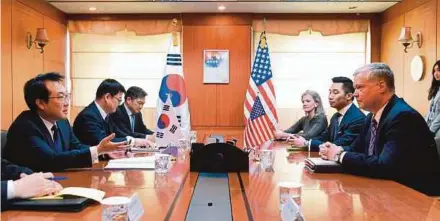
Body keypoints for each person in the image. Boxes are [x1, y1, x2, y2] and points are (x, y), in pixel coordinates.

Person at [320, 63, 440, 196]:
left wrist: (339, 155)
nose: (354, 94)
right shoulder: (371, 116)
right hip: (384, 191)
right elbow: (356, 149)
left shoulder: (403, 117)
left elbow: (386, 166)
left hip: (414, 198)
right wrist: (333, 150)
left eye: (359, 87)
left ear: (381, 86)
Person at [3, 73, 128, 172]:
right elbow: (51, 160)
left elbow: (76, 146)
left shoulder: (62, 122)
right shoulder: (25, 126)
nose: (67, 102)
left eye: (67, 96)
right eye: (60, 97)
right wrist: (97, 150)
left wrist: (103, 152)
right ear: (40, 103)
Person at [73, 79, 153, 159]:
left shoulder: (106, 114)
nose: (119, 104)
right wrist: (134, 141)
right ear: (107, 97)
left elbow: (117, 133)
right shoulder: (88, 116)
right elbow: (104, 142)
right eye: (119, 100)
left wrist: (137, 140)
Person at [289, 77, 365, 151]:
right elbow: (324, 137)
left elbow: (337, 146)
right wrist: (303, 140)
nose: (330, 97)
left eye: (335, 92)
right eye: (330, 92)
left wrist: (306, 143)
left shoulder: (357, 119)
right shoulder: (335, 116)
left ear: (348, 96)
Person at [426, 60, 440, 137]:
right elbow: (431, 111)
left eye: (438, 70)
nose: (435, 73)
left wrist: (431, 129)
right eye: (434, 71)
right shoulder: (436, 90)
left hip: (436, 129)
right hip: (430, 125)